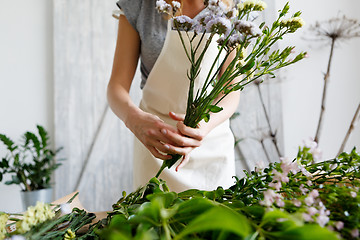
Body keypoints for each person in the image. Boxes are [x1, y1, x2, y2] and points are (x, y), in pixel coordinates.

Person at [108, 0, 240, 192]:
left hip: (210, 143)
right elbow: (116, 86)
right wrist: (133, 119)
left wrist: (204, 125)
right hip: (155, 146)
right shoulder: (139, 6)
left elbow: (230, 89)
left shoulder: (232, 8)